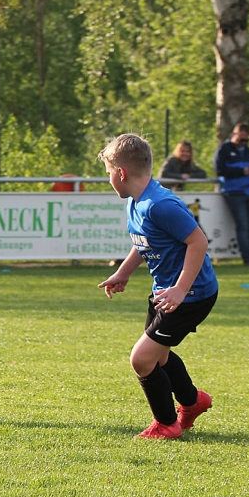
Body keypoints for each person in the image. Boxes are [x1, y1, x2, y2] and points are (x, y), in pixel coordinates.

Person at [97, 133, 218, 440]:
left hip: (191, 294)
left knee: (141, 359)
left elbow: (198, 242)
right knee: (158, 357)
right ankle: (193, 402)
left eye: (108, 172)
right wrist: (123, 273)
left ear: (121, 172)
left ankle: (167, 425)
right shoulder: (136, 201)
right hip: (167, 291)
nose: (109, 179)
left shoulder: (160, 205)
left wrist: (180, 289)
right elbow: (145, 242)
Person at [213, 123, 249, 266]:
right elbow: (220, 170)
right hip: (234, 192)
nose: (243, 143)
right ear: (234, 135)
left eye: (246, 140)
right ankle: (247, 258)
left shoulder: (247, 151)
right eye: (241, 140)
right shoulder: (224, 149)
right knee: (243, 225)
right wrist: (242, 171)